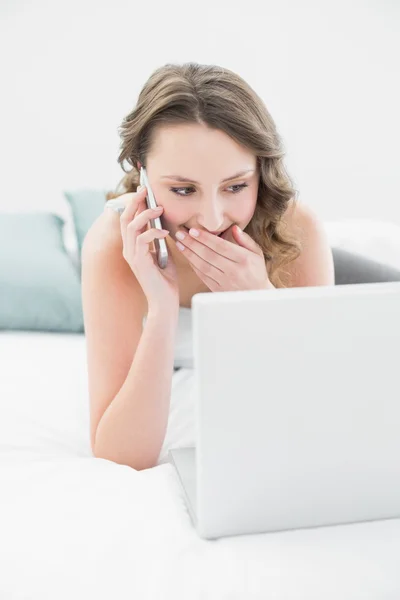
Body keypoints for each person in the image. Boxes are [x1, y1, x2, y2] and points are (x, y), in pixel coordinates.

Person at [81, 62, 334, 471]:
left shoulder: (299, 230)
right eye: (183, 190)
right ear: (143, 175)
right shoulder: (111, 247)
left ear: (261, 173)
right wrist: (161, 309)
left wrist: (263, 303)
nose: (213, 219)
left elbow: (324, 404)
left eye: (236, 186)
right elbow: (122, 455)